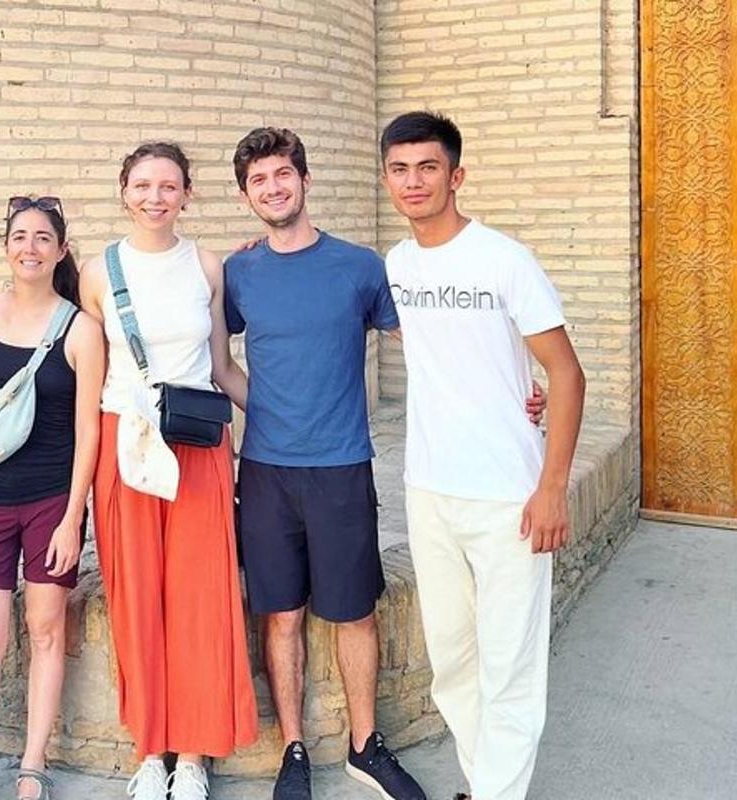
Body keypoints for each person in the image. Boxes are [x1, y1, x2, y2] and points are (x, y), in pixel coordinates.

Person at [223, 128, 547, 800]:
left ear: (305, 181)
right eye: (259, 181)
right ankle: (293, 750)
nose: (273, 189)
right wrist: (272, 408)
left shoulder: (365, 267)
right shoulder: (238, 272)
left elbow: (436, 337)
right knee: (279, 614)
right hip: (266, 471)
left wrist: (517, 384)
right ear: (246, 194)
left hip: (343, 465)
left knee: (355, 613)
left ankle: (365, 747)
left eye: (283, 175)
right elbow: (214, 359)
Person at [379, 111, 585, 800]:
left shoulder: (504, 258)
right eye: (401, 168)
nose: (414, 181)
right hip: (430, 489)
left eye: (428, 166)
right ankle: (485, 781)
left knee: (511, 664)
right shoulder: (397, 265)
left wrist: (551, 486)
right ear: (387, 179)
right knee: (454, 665)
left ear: (455, 175)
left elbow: (566, 372)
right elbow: (462, 358)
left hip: (508, 495)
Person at [78, 142, 257, 800]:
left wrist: (281, 414)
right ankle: (149, 748)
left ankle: (194, 754)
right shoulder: (98, 272)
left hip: (197, 443)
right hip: (125, 444)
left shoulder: (206, 266)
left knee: (201, 599)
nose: (156, 197)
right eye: (144, 184)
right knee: (138, 599)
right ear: (124, 190)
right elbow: (90, 377)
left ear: (187, 194)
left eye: (170, 186)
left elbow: (222, 365)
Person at [0, 196, 104, 800]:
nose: (30, 247)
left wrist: (72, 519)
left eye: (44, 238)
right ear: (5, 246)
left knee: (45, 633)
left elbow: (89, 429)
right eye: (20, 236)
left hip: (49, 505)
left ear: (60, 250)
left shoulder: (81, 330)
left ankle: (34, 764)